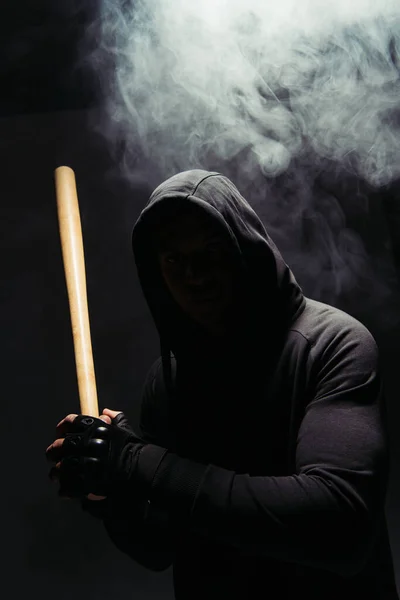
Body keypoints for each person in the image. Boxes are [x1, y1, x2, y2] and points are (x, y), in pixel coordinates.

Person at [46, 169, 399, 599]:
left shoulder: (333, 344)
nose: (194, 274)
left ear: (245, 248)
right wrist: (109, 490)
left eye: (211, 251)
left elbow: (337, 527)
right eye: (174, 259)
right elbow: (159, 547)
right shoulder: (169, 380)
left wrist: (137, 463)